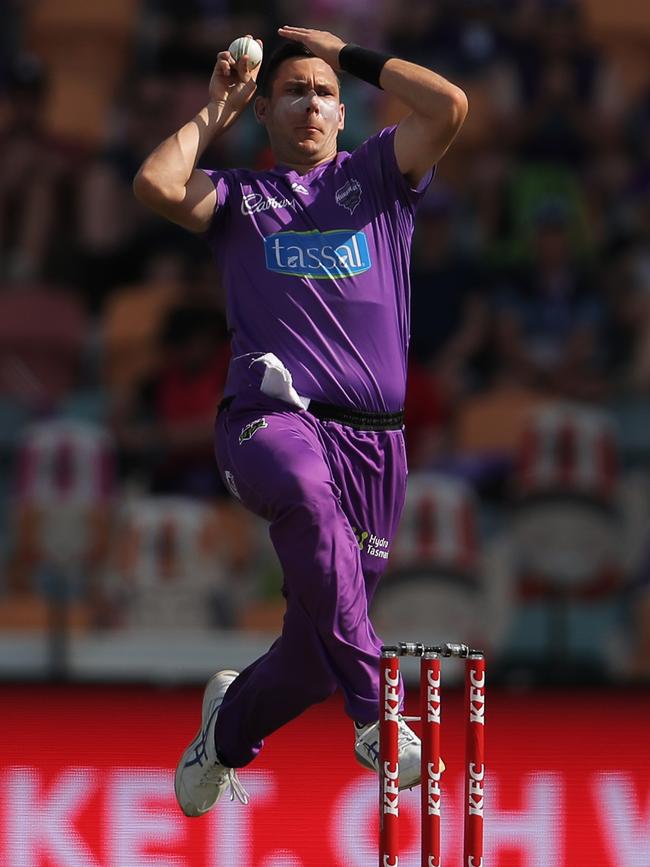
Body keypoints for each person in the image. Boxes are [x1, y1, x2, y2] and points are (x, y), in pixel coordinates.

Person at [133, 24, 468, 816]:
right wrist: (217, 106)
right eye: (294, 92)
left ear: (345, 112)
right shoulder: (243, 200)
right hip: (270, 421)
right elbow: (154, 183)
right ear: (268, 112)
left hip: (376, 443)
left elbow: (449, 107)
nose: (311, 104)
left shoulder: (378, 177)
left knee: (313, 655)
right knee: (306, 495)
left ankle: (226, 729)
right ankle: (378, 713)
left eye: (324, 93)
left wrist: (348, 53)